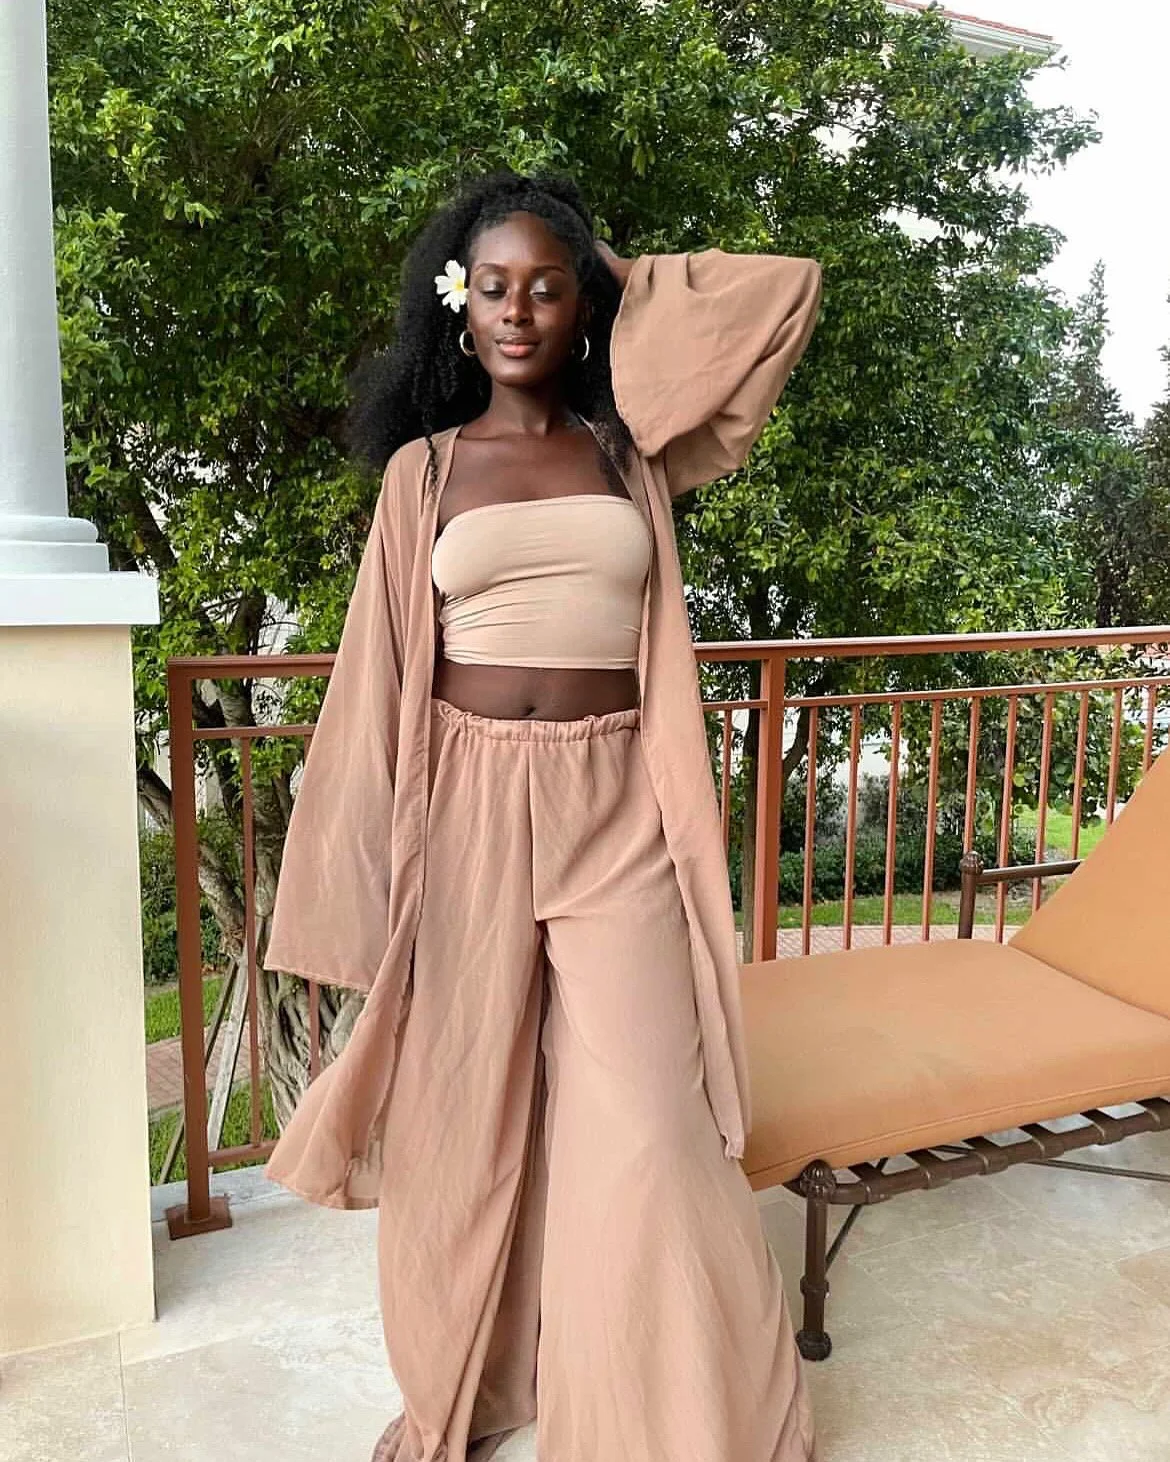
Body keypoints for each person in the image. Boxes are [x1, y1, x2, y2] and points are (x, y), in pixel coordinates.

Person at [262, 169, 823, 1462]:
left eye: (545, 285)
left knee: (650, 1119)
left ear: (581, 307)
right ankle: (474, 1387)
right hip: (462, 801)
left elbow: (779, 293)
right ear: (458, 310)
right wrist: (358, 878)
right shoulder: (424, 474)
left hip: (615, 799)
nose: (517, 310)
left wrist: (613, 269)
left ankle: (677, 1422)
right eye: (492, 285)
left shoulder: (634, 450)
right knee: (462, 1122)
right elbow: (374, 678)